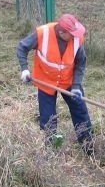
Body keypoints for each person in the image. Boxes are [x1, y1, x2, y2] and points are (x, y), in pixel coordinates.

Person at [16, 13, 94, 154]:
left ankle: (89, 149)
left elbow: (81, 63)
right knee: (48, 119)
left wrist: (76, 86)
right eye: (71, 34)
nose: (75, 36)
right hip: (45, 81)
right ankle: (51, 151)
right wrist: (24, 70)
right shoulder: (42, 33)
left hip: (68, 81)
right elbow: (22, 47)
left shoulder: (77, 40)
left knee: (81, 112)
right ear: (62, 32)